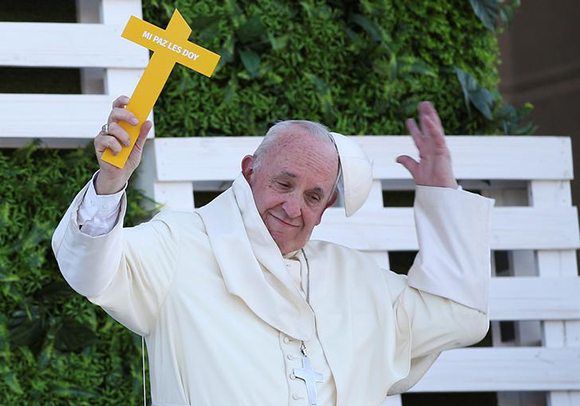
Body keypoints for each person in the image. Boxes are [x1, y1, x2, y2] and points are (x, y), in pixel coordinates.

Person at [52, 95, 495, 406]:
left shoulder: (353, 278)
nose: (292, 207)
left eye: (313, 196)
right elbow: (89, 268)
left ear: (325, 210)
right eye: (284, 184)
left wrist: (443, 195)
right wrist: (110, 182)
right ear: (249, 171)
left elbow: (459, 315)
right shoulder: (180, 242)